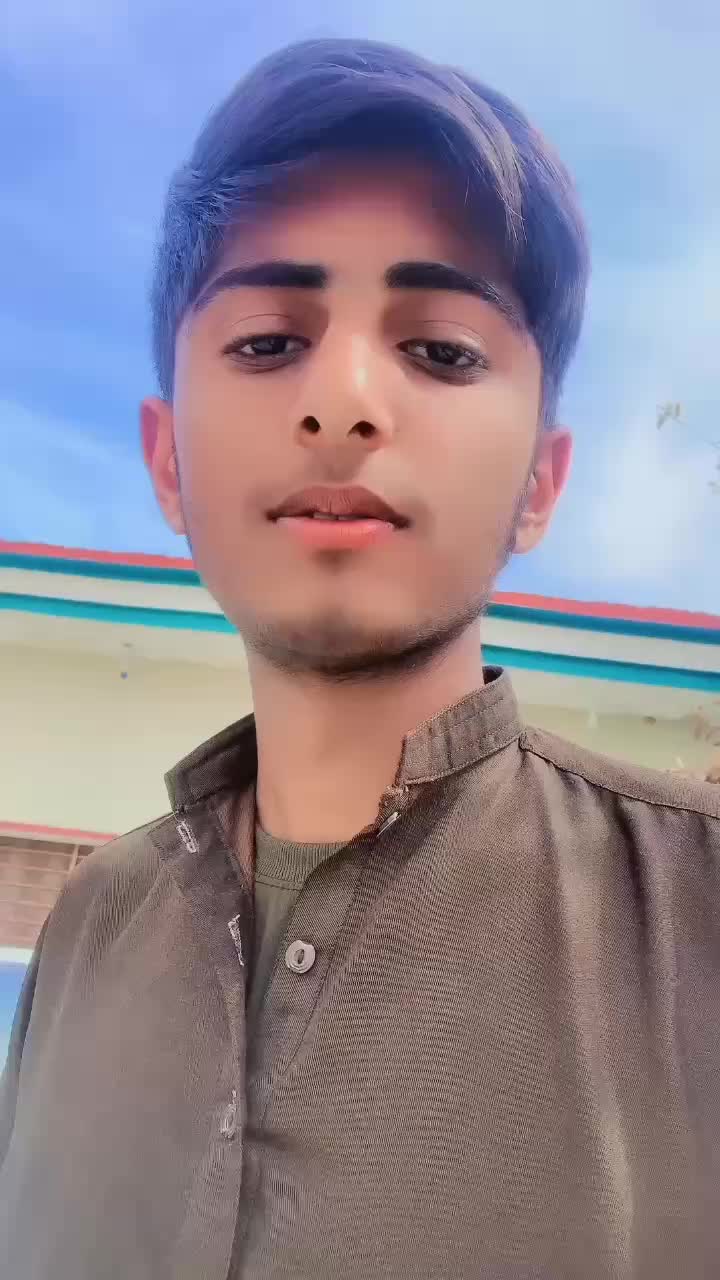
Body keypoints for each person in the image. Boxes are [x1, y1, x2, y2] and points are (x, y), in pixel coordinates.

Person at [1, 37, 719, 1280]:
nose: (342, 402)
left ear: (542, 482)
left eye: (440, 349)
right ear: (167, 462)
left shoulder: (697, 915)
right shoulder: (85, 931)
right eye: (266, 341)